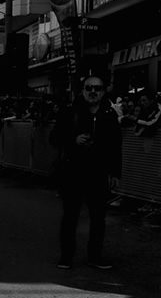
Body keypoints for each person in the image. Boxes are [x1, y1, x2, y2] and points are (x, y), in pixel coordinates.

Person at [50, 75, 122, 270]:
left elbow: (116, 146)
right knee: (70, 217)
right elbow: (54, 139)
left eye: (97, 88)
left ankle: (95, 256)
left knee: (98, 218)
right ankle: (66, 257)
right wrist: (73, 139)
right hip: (73, 172)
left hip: (98, 174)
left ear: (103, 92)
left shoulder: (109, 115)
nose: (93, 91)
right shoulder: (70, 112)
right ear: (82, 90)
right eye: (89, 87)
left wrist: (115, 173)